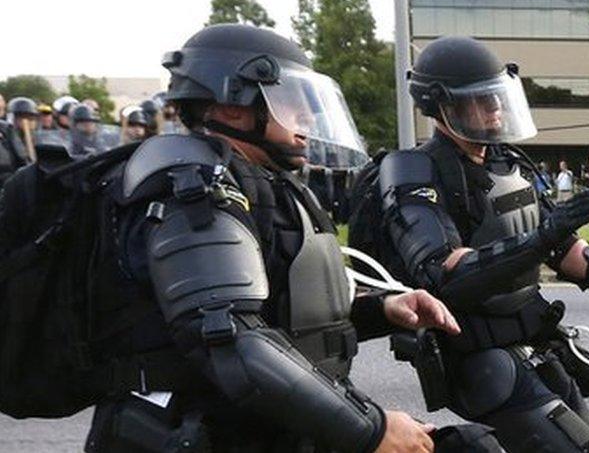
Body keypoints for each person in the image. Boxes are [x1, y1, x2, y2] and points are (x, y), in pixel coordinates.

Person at [76, 24, 461, 452]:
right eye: (290, 100)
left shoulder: (261, 183)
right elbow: (231, 338)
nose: (308, 116)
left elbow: (282, 314)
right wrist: (371, 430)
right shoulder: (188, 189)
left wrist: (384, 309)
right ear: (234, 106)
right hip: (195, 431)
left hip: (265, 423)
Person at [366, 36, 589, 453]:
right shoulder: (413, 170)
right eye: (481, 99)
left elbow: (564, 250)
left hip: (537, 346)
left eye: (497, 96)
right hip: (481, 361)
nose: (494, 108)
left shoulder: (505, 161)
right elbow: (444, 274)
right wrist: (541, 238)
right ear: (442, 105)